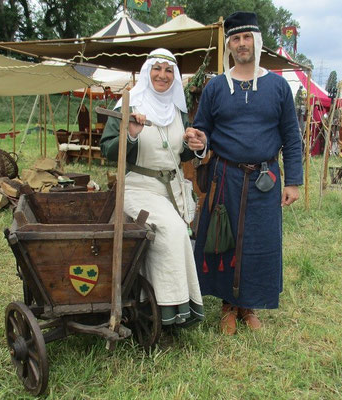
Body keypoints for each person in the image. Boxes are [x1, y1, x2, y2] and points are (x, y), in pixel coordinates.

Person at [186, 12, 303, 335]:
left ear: (257, 41)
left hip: (266, 179)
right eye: (235, 39)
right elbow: (203, 131)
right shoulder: (215, 87)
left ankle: (248, 306)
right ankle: (227, 306)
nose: (242, 44)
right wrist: (198, 140)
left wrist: (292, 181)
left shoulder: (278, 86)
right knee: (224, 242)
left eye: (247, 37)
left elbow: (292, 137)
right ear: (229, 45)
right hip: (226, 176)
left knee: (257, 242)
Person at [101, 48, 206, 328]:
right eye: (157, 69)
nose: (163, 75)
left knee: (182, 233)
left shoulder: (176, 110)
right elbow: (108, 150)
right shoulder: (128, 104)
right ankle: (165, 309)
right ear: (148, 72)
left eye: (169, 70)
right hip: (137, 187)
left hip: (170, 188)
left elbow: (180, 154)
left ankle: (164, 302)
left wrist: (195, 145)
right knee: (172, 231)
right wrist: (131, 136)